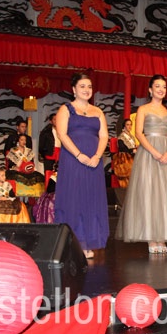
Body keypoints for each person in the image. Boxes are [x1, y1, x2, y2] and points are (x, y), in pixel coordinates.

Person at [116, 74, 167, 254]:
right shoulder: (143, 109)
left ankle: (162, 236)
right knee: (149, 194)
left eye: (164, 86)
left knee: (166, 195)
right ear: (150, 90)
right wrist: (155, 152)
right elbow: (139, 133)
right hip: (149, 153)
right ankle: (151, 237)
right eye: (157, 86)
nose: (161, 89)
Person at [54, 73, 110, 259]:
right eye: (82, 86)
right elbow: (62, 134)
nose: (87, 90)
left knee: (91, 200)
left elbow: (104, 136)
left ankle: (89, 241)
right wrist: (79, 155)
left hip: (94, 161)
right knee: (74, 199)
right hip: (73, 159)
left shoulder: (98, 111)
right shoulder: (66, 109)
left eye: (89, 86)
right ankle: (74, 243)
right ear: (74, 89)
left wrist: (97, 156)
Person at [6, 133, 45, 199]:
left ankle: (31, 198)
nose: (24, 142)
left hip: (28, 170)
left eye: (25, 140)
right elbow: (11, 164)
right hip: (17, 170)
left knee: (39, 176)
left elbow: (32, 162)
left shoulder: (29, 151)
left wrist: (30, 168)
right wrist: (16, 167)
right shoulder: (13, 150)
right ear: (18, 141)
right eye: (22, 140)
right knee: (17, 176)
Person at [112, 117, 137, 188]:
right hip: (125, 158)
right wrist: (132, 150)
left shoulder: (132, 137)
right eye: (127, 124)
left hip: (133, 156)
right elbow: (122, 148)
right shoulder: (121, 137)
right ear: (124, 126)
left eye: (130, 124)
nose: (129, 126)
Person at [38, 112, 60, 180]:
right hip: (49, 154)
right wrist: (45, 154)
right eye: (54, 119)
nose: (56, 121)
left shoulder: (62, 130)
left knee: (59, 173)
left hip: (60, 154)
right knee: (49, 173)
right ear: (50, 121)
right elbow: (41, 146)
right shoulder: (46, 132)